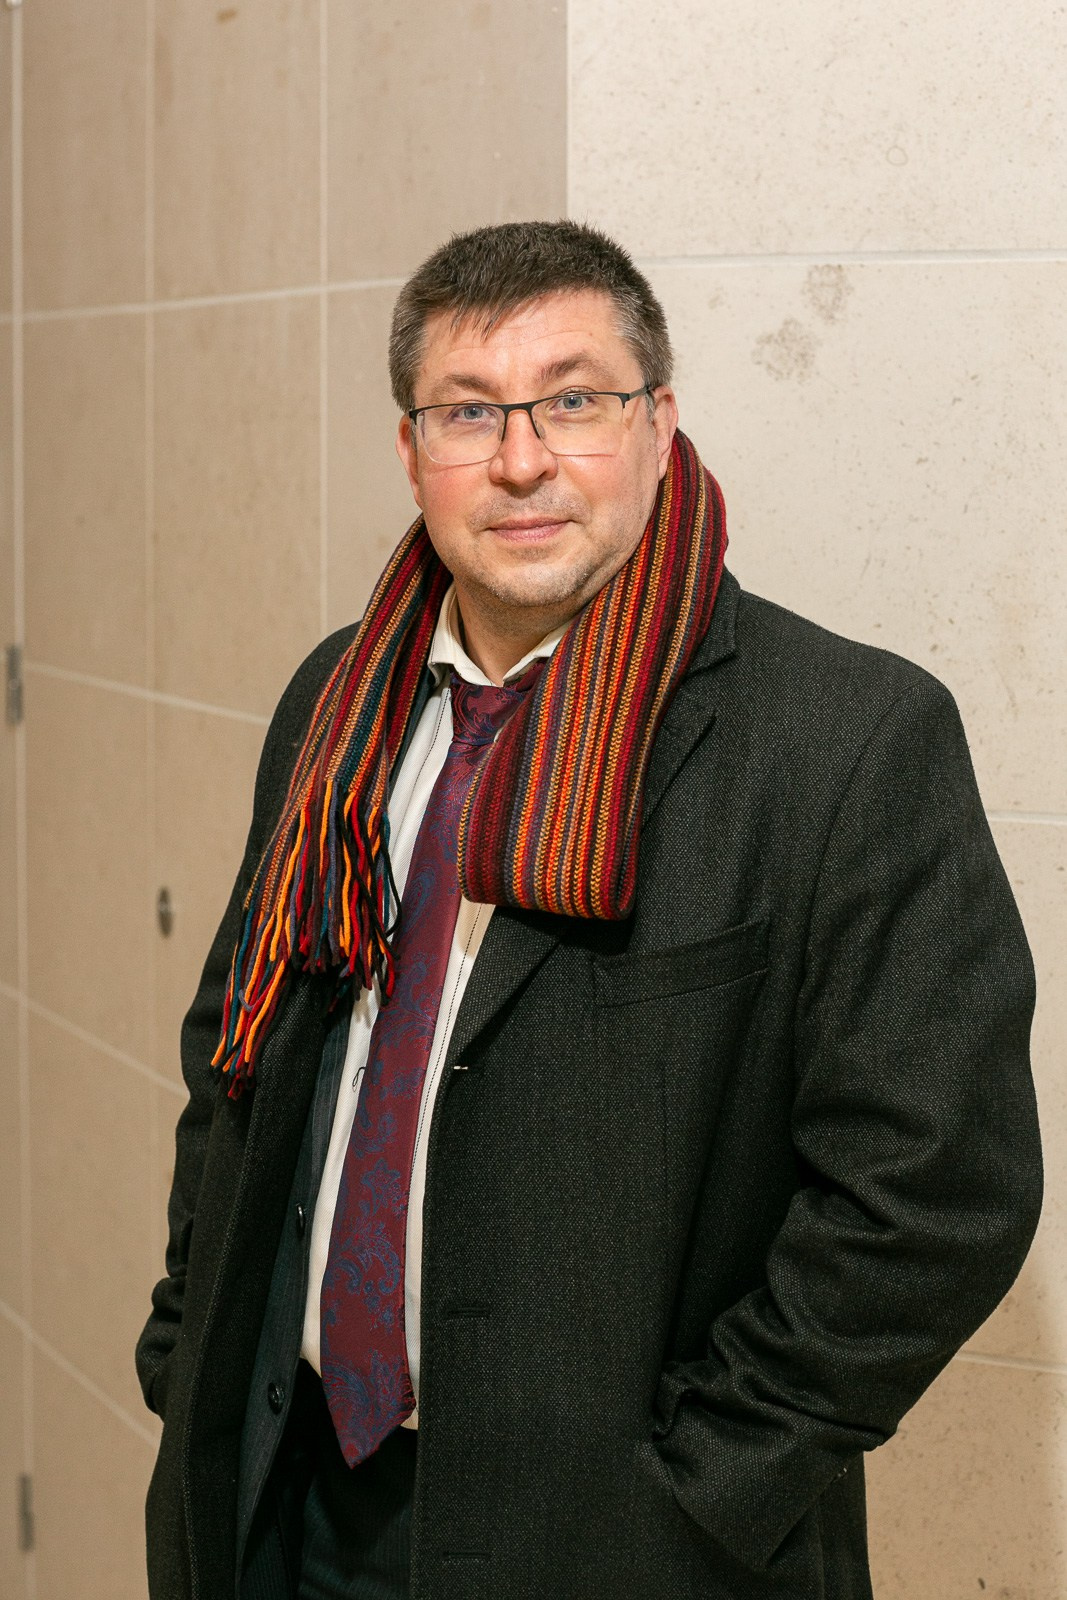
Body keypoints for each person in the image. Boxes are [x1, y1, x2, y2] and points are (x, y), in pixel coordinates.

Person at [136, 220, 1042, 1600]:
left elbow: (936, 1191)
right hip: (295, 1502)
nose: (520, 460)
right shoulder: (337, 702)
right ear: (411, 452)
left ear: (659, 425)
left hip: (622, 1547)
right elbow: (239, 1052)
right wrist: (189, 1336)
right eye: (467, 411)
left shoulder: (844, 740)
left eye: (573, 400)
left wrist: (700, 1488)